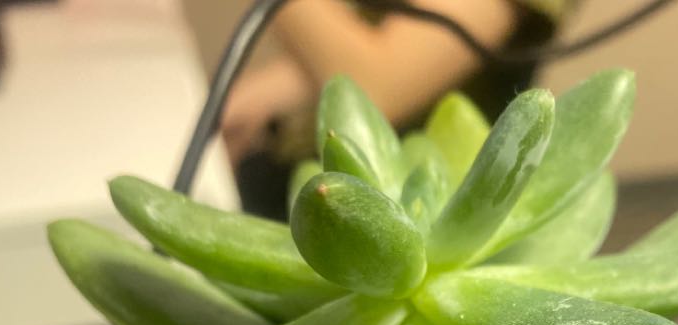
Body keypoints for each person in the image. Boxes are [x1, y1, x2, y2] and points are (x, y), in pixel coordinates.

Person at [221, 0, 570, 218]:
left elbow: (375, 87)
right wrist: (255, 99)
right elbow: (369, 44)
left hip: (380, 210)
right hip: (294, 178)